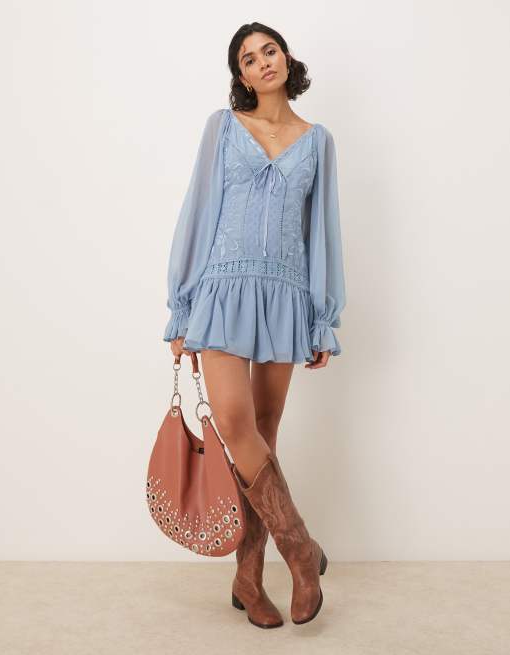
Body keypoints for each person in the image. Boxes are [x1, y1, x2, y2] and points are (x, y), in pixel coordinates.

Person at [163, 22, 346, 628]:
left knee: (263, 435)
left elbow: (323, 233)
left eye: (269, 50)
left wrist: (322, 317)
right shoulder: (222, 127)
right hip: (222, 291)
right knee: (238, 426)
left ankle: (248, 577)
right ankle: (301, 552)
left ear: (286, 59)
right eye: (248, 58)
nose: (262, 62)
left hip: (285, 297)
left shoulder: (317, 142)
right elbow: (197, 213)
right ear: (240, 76)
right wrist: (182, 307)